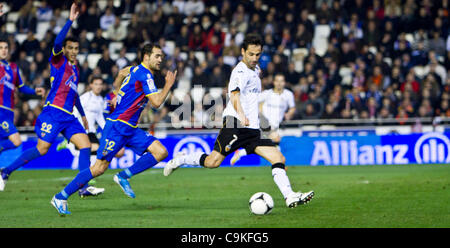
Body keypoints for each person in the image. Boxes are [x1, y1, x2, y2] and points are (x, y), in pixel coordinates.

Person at [164, 34, 314, 208]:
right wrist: (241, 114)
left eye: (257, 54)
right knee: (213, 162)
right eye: (250, 54)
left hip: (253, 129)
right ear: (243, 52)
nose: (254, 58)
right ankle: (181, 159)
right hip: (236, 123)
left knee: (278, 157)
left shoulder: (256, 71)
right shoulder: (240, 71)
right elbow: (234, 94)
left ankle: (290, 196)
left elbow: (252, 99)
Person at [50, 43, 177, 215]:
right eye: (157, 56)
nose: (160, 60)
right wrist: (169, 85)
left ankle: (123, 176)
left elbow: (120, 75)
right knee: (98, 168)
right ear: (146, 57)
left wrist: (117, 93)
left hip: (130, 128)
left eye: (162, 56)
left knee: (160, 152)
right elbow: (155, 103)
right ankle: (60, 196)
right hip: (117, 127)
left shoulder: (132, 70)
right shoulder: (146, 74)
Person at [0, 3, 98, 195]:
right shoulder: (58, 61)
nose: (74, 51)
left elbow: (74, 93)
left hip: (69, 116)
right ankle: (6, 171)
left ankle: (83, 187)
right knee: (42, 148)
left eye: (76, 48)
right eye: (70, 48)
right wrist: (70, 21)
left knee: (86, 145)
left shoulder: (75, 70)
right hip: (53, 113)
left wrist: (83, 115)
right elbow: (57, 42)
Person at [230, 73, 295, 165]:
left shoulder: (288, 95)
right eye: (277, 81)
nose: (279, 83)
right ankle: (279, 164)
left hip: (276, 124)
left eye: (281, 81)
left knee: (260, 144)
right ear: (274, 82)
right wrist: (259, 113)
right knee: (276, 139)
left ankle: (240, 153)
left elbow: (293, 107)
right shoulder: (267, 94)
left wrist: (289, 113)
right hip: (264, 122)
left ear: (284, 83)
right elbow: (253, 103)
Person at [0, 37, 46, 156]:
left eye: (5, 48)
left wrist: (34, 91)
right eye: (0, 48)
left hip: (9, 111)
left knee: (3, 142)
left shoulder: (14, 67)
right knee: (16, 141)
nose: (4, 50)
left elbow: (21, 87)